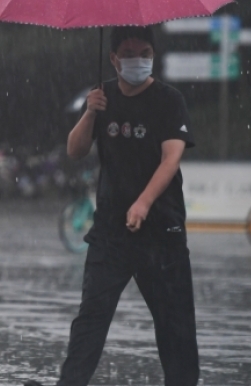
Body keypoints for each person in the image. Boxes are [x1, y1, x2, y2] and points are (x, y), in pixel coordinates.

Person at [24, 26, 199, 386]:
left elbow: (171, 159)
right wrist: (90, 113)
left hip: (161, 230)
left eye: (145, 53)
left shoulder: (169, 100)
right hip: (110, 232)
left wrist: (144, 203)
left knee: (175, 327)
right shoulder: (101, 97)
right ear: (114, 58)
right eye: (130, 54)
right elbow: (74, 151)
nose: (139, 60)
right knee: (91, 318)